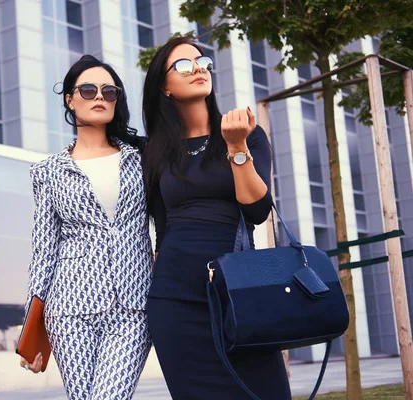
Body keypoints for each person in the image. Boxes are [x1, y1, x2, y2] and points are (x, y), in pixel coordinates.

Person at [141, 37, 291, 399]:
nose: (197, 67)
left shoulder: (245, 133)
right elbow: (162, 228)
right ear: (164, 86)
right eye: (183, 64)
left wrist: (237, 147)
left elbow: (256, 210)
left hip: (238, 293)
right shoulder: (155, 151)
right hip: (174, 301)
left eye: (202, 60)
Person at [19, 55, 153, 400]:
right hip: (68, 310)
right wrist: (31, 332)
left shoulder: (143, 158)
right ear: (69, 98)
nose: (99, 97)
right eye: (89, 89)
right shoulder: (47, 171)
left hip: (134, 307)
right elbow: (44, 251)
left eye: (109, 91)